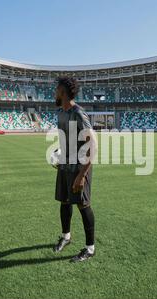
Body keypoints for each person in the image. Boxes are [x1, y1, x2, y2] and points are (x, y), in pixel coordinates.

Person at [53, 77, 97, 263]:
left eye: (57, 90)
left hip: (79, 168)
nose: (54, 93)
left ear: (63, 92)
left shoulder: (78, 113)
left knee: (83, 205)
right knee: (64, 202)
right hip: (64, 166)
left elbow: (92, 145)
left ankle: (90, 248)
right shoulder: (60, 113)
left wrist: (81, 175)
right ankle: (66, 237)